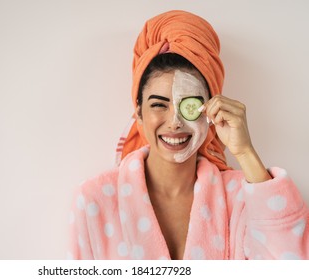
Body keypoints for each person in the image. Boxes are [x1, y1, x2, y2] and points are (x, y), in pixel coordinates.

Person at [67, 10, 309, 260]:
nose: (174, 122)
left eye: (189, 106)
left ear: (211, 110)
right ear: (138, 111)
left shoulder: (241, 197)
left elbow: (292, 263)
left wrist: (245, 152)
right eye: (159, 105)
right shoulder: (94, 200)